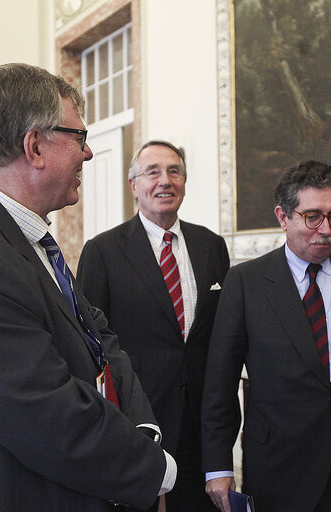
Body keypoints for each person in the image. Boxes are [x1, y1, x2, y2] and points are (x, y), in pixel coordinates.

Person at [0, 63, 175, 511]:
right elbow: (44, 416)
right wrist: (157, 472)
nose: (88, 155)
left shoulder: (24, 237)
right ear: (35, 146)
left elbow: (102, 344)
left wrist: (143, 433)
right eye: (79, 139)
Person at [201, 161, 331, 512]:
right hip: (281, 470)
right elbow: (219, 387)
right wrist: (219, 466)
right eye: (312, 216)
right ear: (283, 217)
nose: (326, 230)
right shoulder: (246, 283)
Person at [77, 140, 229, 512]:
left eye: (174, 171)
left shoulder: (211, 245)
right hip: (141, 426)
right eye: (153, 172)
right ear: (134, 185)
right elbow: (89, 345)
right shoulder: (103, 252)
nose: (165, 180)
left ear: (185, 182)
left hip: (202, 428)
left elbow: (222, 336)